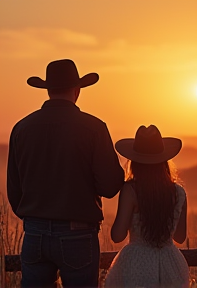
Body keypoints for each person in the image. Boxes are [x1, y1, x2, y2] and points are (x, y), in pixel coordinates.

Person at [6, 59, 124, 288]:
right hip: (78, 234)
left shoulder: (21, 128)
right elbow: (110, 187)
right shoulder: (94, 128)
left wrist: (37, 218)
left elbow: (14, 191)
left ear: (48, 90)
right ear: (77, 90)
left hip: (35, 232)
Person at [104, 125, 190, 288]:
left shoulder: (131, 190)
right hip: (170, 262)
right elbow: (180, 237)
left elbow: (117, 236)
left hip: (137, 262)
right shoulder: (179, 192)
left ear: (134, 161)